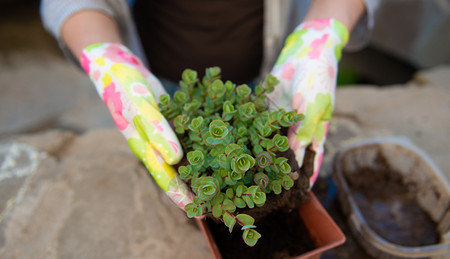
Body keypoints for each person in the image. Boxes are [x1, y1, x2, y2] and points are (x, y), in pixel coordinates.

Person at [40, 0, 372, 209]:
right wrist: (105, 56)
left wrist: (324, 29)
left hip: (274, 64)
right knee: (167, 148)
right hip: (157, 74)